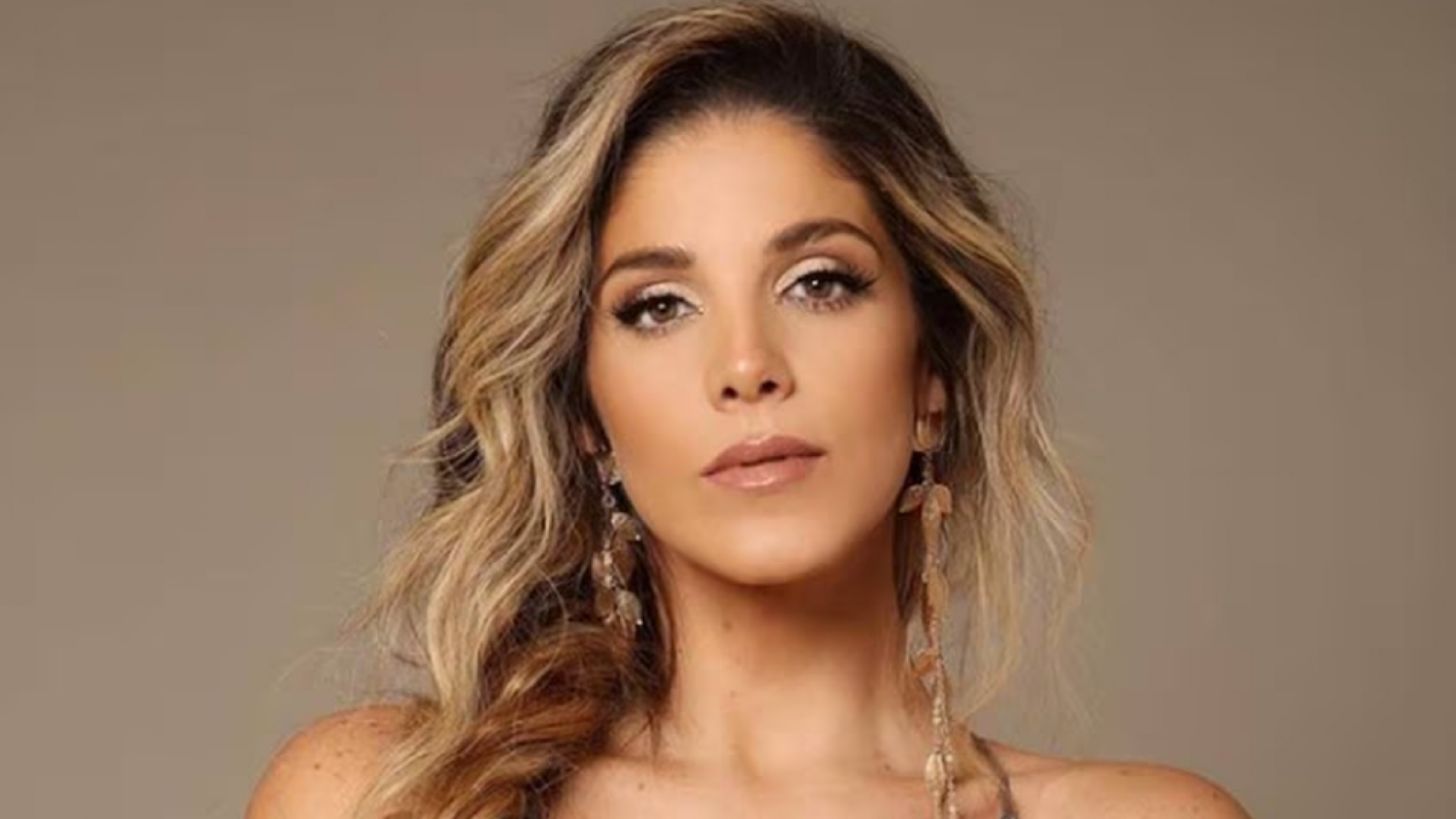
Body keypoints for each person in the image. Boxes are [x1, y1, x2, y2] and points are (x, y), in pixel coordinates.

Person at [246, 2, 1252, 817]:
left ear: (932, 374)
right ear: (586, 415)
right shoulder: (384, 796)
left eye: (819, 283)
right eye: (658, 306)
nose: (745, 366)